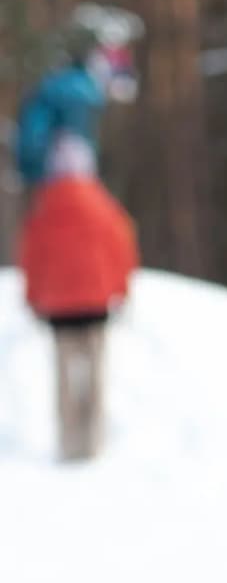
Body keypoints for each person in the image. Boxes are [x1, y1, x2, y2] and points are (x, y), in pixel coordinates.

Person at [18, 133, 138, 462]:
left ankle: (68, 441)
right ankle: (92, 441)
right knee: (96, 373)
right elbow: (122, 248)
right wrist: (122, 289)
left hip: (58, 308)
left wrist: (31, 297)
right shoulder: (103, 205)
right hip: (96, 305)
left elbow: (31, 257)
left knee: (65, 375)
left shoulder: (44, 207)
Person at [13, 38, 136, 190]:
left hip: (44, 164)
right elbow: (68, 140)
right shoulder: (81, 92)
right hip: (54, 167)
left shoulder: (72, 85)